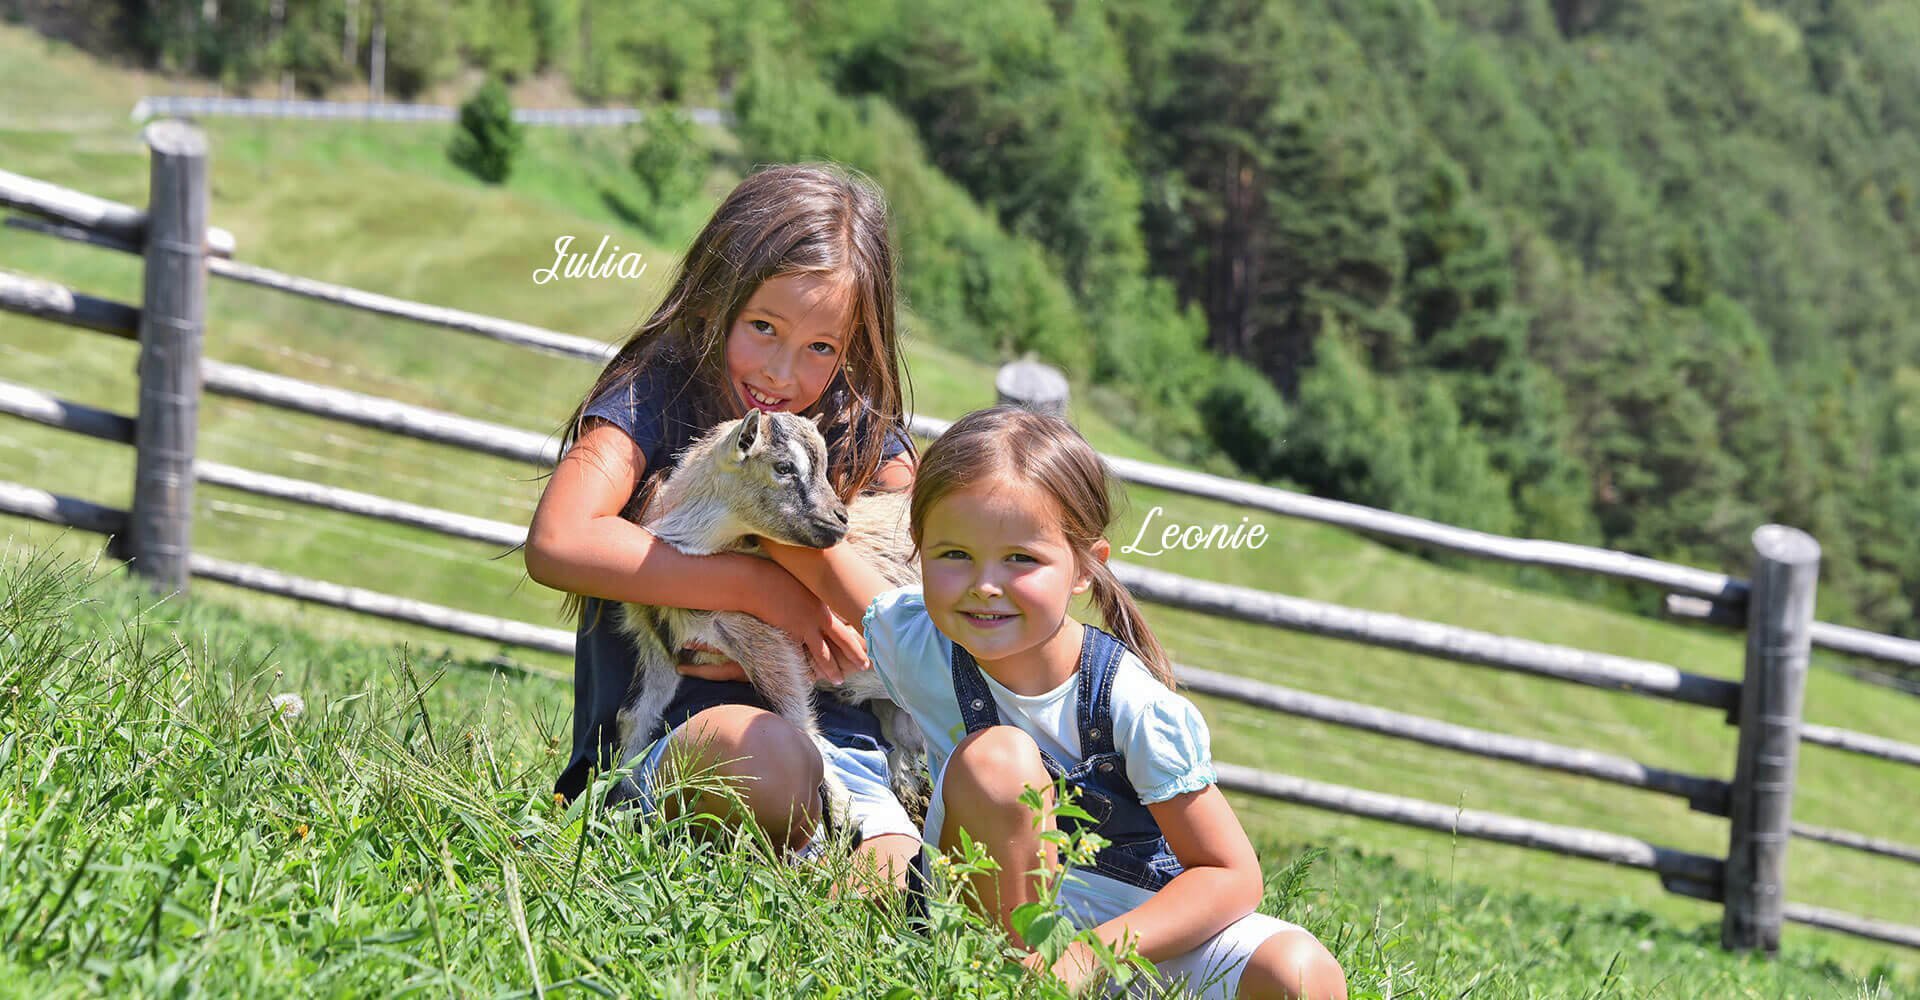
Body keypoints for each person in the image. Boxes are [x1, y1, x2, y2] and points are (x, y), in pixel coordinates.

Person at [757, 406, 1348, 999]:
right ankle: (1007, 986)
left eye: (1021, 559)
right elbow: (799, 543)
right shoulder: (919, 641)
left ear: (1085, 569)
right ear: (919, 550)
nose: (985, 585)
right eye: (955, 554)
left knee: (1300, 972)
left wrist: (1087, 957)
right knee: (997, 761)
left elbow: (1231, 874)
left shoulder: (1130, 704)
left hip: (1134, 932)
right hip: (985, 921)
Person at [525, 163, 923, 890]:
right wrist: (756, 588)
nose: (781, 372)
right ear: (716, 302)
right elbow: (559, 541)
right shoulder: (659, 391)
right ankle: (747, 843)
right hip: (674, 733)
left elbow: (908, 607)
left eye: (821, 348)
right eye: (763, 327)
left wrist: (792, 562)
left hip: (847, 746)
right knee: (773, 767)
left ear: (856, 345)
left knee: (902, 887)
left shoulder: (861, 431)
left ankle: (837, 863)